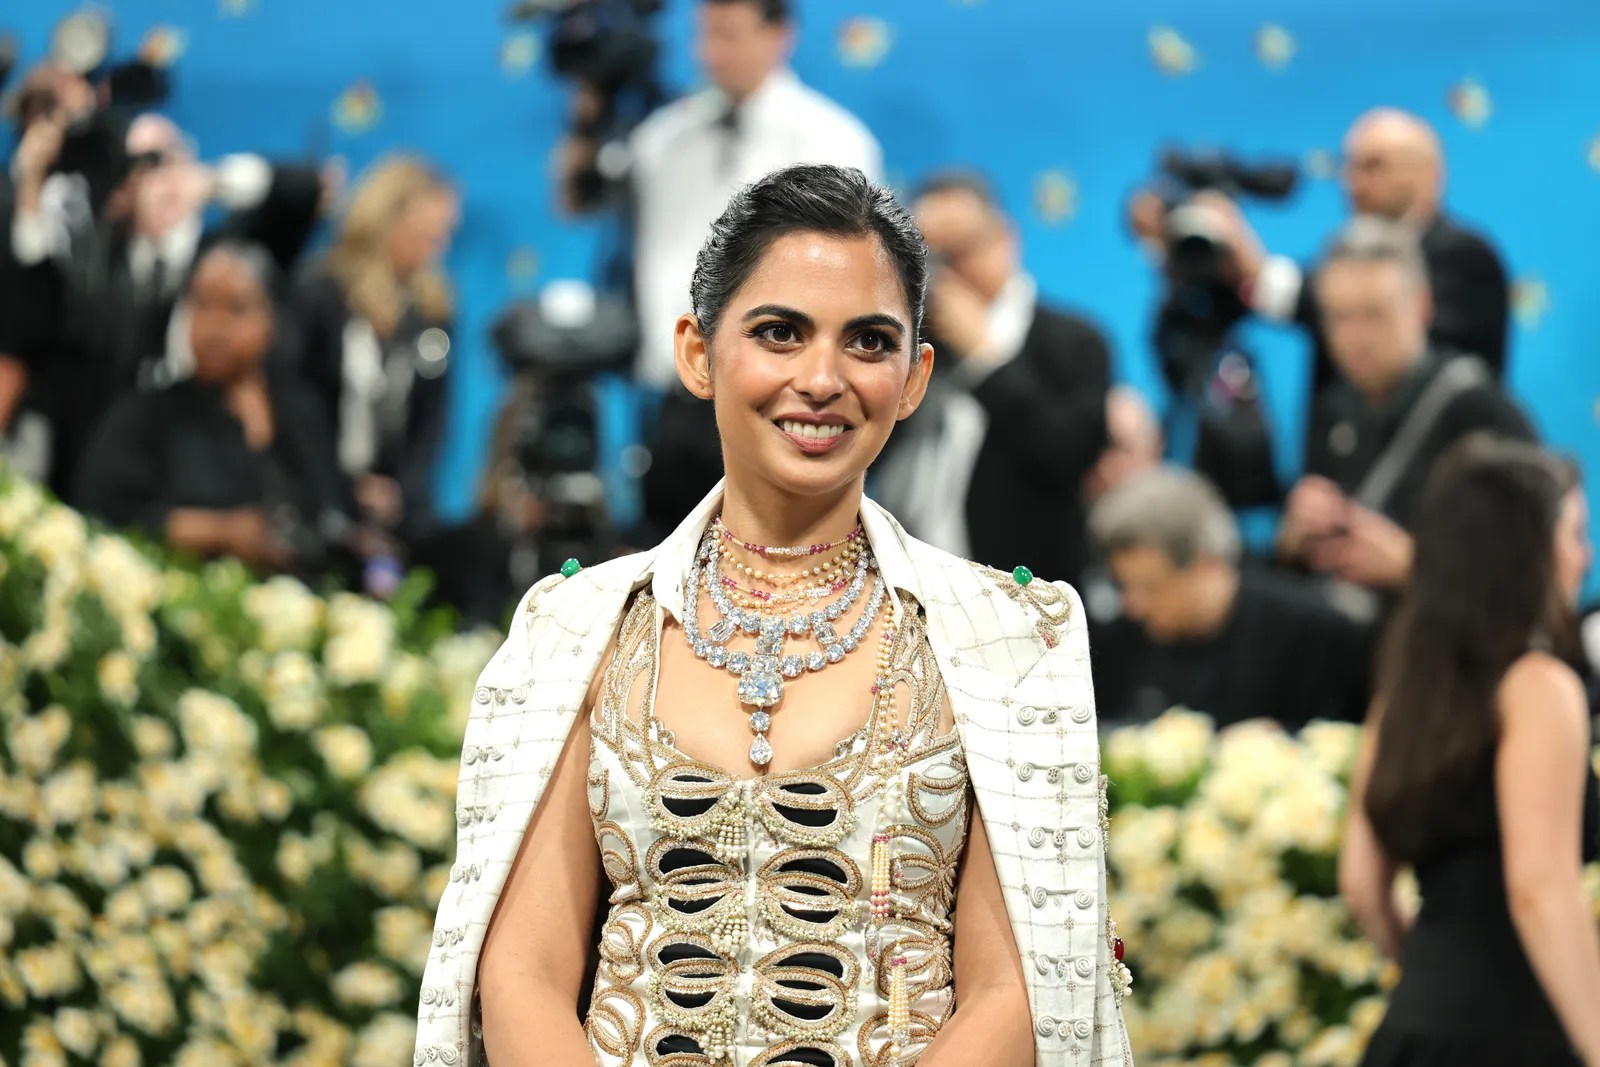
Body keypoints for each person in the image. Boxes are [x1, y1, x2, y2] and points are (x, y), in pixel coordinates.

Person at [414, 164, 1132, 1066]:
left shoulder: (1009, 638)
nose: (822, 378)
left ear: (915, 376)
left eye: (869, 341)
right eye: (779, 332)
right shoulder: (579, 625)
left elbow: (1020, 985)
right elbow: (520, 971)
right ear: (696, 352)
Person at [560, 0, 883, 538]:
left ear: (779, 36)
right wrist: (588, 106)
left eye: (729, 35)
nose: (711, 52)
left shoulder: (831, 141)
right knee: (672, 553)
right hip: (674, 392)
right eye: (705, 35)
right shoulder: (663, 136)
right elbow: (577, 200)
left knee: (779, 551)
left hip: (780, 393)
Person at [1339, 435, 1600, 1067]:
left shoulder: (1404, 692)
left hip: (1412, 1032)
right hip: (1522, 1033)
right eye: (1573, 534)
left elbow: (1362, 886)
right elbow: (1539, 889)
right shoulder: (1539, 687)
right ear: (1525, 554)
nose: (1584, 556)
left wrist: (1434, 979)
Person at [869, 169, 1155, 587]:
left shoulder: (1074, 340)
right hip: (904, 583)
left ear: (1005, 238)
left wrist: (985, 360)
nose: (945, 275)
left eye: (960, 251)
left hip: (1025, 588)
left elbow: (1070, 452)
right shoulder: (903, 342)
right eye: (929, 257)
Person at [1275, 216, 1533, 622]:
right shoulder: (1333, 407)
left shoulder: (1481, 413)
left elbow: (1537, 570)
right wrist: (1294, 539)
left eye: (1374, 314)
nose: (1355, 337)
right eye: (1338, 317)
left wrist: (1413, 565)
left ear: (1422, 306)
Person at [74, 241, 360, 579]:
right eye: (201, 304)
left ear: (272, 320)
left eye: (236, 308)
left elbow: (333, 515)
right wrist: (218, 532)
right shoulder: (147, 415)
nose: (214, 326)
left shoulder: (302, 414)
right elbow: (102, 513)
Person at [1210, 108, 1510, 403]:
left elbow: (1312, 302)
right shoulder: (1346, 254)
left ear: (1431, 173)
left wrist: (1254, 265)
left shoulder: (1465, 257)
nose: (1353, 183)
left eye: (1374, 166)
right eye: (1349, 167)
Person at [1088, 465, 1371, 726]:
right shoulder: (1117, 642)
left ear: (1206, 566)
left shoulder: (1314, 637)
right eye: (1123, 586)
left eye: (1149, 587)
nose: (1133, 605)